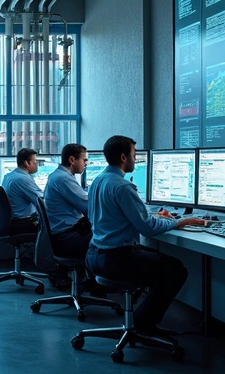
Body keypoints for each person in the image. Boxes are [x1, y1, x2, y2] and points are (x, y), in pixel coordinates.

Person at [86, 135, 204, 334]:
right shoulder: (124, 187)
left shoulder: (98, 180)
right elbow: (147, 228)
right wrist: (177, 222)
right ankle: (143, 323)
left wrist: (151, 216)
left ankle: (140, 319)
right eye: (134, 154)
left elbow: (115, 215)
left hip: (95, 255)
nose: (135, 158)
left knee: (157, 261)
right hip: (115, 259)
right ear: (124, 157)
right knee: (176, 270)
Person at [43, 143, 94, 290]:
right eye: (84, 160)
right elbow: (88, 207)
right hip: (66, 238)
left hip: (61, 235)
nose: (86, 163)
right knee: (107, 238)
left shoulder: (57, 176)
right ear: (72, 159)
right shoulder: (63, 178)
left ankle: (93, 282)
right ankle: (97, 284)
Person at [0, 148, 42, 236]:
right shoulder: (22, 179)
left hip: (12, 223)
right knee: (56, 230)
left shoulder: (8, 176)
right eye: (35, 162)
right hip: (23, 224)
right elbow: (42, 200)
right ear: (26, 163)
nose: (37, 164)